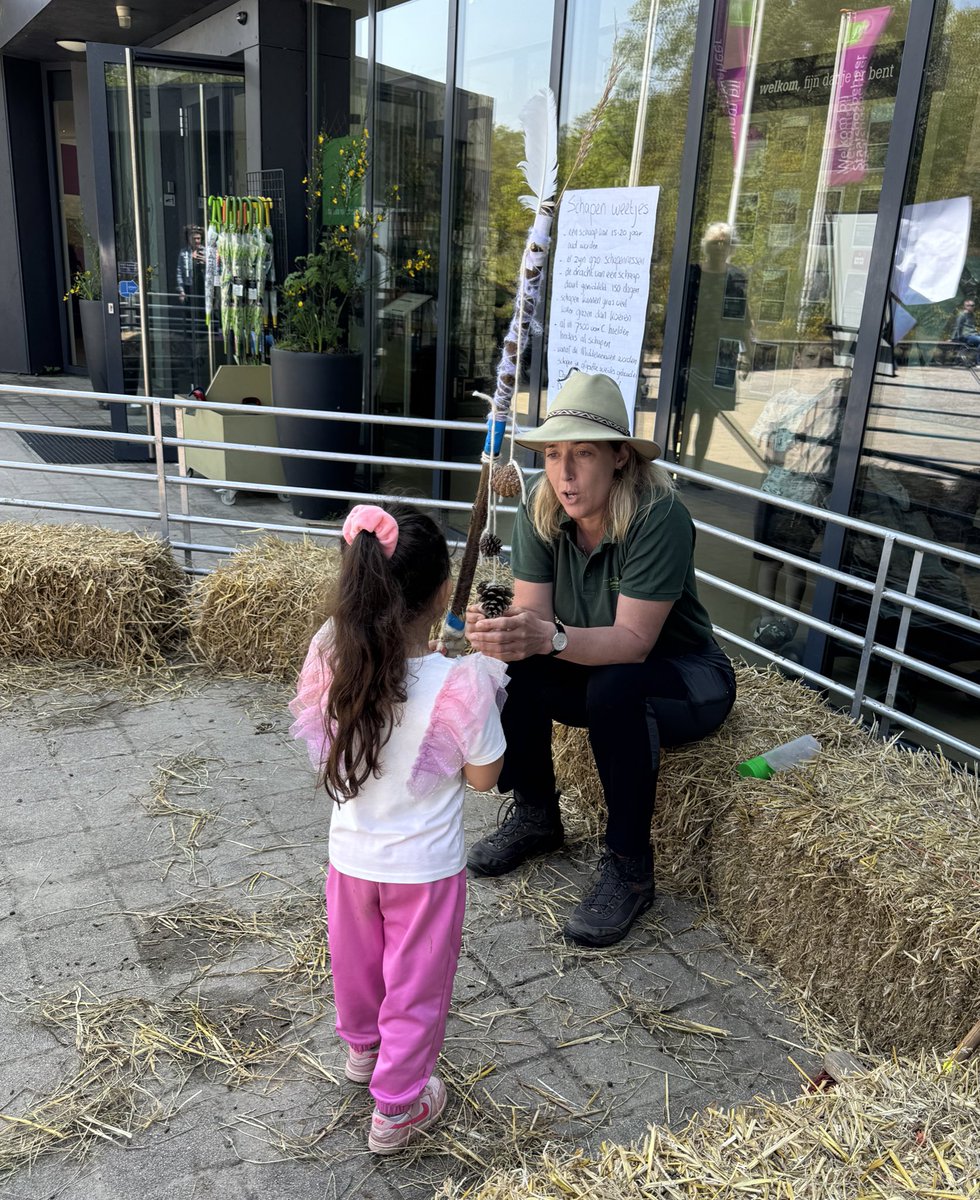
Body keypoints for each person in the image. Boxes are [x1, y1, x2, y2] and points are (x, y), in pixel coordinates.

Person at [465, 372, 737, 947]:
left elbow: (634, 642)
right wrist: (501, 633)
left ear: (619, 459)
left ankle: (631, 868)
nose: (564, 472)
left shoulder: (658, 515)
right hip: (597, 671)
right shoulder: (542, 505)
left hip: (685, 677)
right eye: (555, 452)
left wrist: (548, 638)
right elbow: (533, 622)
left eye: (583, 453)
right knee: (516, 666)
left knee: (618, 687)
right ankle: (537, 814)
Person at [289, 502, 506, 1154]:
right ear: (445, 594)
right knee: (415, 988)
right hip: (423, 872)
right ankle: (399, 1106)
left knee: (356, 965)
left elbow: (334, 732)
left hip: (350, 860)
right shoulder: (460, 682)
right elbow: (484, 778)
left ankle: (363, 1053)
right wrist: (485, 687)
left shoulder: (331, 651)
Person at [679, 222, 755, 477]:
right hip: (691, 353)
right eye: (715, 242)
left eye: (725, 242)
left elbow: (744, 316)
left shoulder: (735, 277)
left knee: (709, 415)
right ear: (706, 245)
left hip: (721, 356)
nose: (720, 247)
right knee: (685, 413)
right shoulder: (693, 273)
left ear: (731, 246)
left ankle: (697, 470)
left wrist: (749, 353)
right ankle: (676, 468)